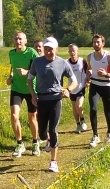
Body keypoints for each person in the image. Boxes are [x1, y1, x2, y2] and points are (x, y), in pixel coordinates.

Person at [27, 37, 78, 173]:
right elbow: (30, 79)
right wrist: (33, 94)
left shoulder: (62, 63)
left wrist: (68, 90)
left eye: (51, 49)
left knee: (53, 130)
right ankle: (48, 140)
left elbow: (74, 81)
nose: (48, 51)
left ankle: (53, 162)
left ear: (57, 49)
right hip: (41, 100)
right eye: (46, 49)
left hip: (56, 99)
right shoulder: (37, 62)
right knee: (43, 134)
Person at [6, 31, 40, 157]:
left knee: (32, 118)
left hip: (31, 89)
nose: (18, 41)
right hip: (16, 89)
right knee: (14, 116)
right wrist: (10, 77)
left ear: (25, 41)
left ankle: (35, 142)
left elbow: (39, 67)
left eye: (20, 39)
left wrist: (27, 72)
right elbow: (12, 67)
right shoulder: (11, 53)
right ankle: (20, 143)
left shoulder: (31, 52)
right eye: (16, 39)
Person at [86, 34, 110, 147]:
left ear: (103, 44)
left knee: (107, 111)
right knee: (93, 109)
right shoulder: (90, 56)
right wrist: (87, 77)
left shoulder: (108, 56)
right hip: (94, 85)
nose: (96, 44)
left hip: (107, 86)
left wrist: (106, 74)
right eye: (94, 42)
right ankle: (95, 136)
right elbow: (89, 69)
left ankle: (109, 132)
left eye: (98, 42)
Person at [67, 44, 90, 133]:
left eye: (74, 51)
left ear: (77, 52)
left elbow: (88, 72)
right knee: (74, 108)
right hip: (71, 88)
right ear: (68, 52)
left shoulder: (82, 61)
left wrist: (88, 81)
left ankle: (83, 120)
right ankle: (78, 125)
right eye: (70, 51)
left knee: (78, 105)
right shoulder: (66, 63)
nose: (72, 53)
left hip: (81, 87)